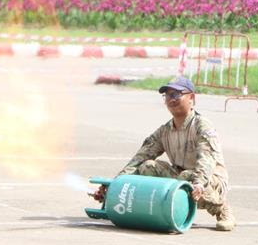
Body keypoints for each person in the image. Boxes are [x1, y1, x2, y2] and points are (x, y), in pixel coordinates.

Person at [92, 76, 236, 231]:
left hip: (210, 180)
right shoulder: (165, 131)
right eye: (167, 95)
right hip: (182, 177)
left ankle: (222, 210)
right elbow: (140, 158)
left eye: (176, 94)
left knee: (187, 177)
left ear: (191, 98)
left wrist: (199, 182)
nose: (171, 99)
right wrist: (115, 185)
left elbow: (206, 158)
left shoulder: (202, 126)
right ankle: (161, 211)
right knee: (147, 167)